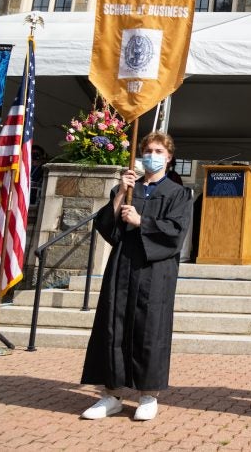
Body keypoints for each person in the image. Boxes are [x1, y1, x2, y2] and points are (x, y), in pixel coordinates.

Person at [80, 132, 193, 421]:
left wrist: (142, 221)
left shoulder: (177, 193)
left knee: (149, 328)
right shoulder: (129, 188)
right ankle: (111, 394)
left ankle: (148, 394)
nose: (151, 155)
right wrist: (120, 192)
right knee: (113, 325)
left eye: (158, 150)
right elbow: (108, 228)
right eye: (147, 150)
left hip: (155, 270)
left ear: (168, 157)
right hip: (123, 264)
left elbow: (176, 233)